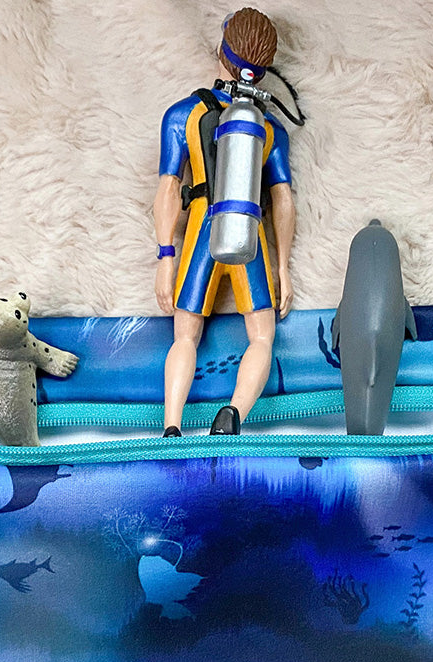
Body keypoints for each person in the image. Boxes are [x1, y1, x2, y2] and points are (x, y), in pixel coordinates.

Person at [154, 8, 296, 436]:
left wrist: (166, 256)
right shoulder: (270, 128)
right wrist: (283, 267)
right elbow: (282, 199)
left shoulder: (183, 114)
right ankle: (234, 412)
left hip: (201, 228)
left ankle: (172, 426)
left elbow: (168, 189)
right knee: (262, 337)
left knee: (185, 336)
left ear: (222, 50)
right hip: (249, 233)